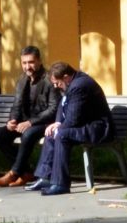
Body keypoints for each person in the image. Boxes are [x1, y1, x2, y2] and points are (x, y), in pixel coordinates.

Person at [30, 60, 109, 196]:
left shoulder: (80, 85)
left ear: (66, 77)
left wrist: (60, 126)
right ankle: (45, 177)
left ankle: (61, 184)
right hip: (84, 126)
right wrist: (57, 123)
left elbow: (74, 118)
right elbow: (63, 106)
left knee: (61, 135)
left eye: (57, 83)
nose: (55, 86)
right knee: (51, 133)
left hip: (97, 128)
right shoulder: (71, 84)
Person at [0, 46, 58, 187]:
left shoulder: (49, 80)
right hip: (25, 122)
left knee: (27, 134)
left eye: (31, 62)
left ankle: (14, 172)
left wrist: (30, 122)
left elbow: (53, 109)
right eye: (24, 63)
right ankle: (26, 172)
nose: (28, 66)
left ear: (39, 61)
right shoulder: (22, 80)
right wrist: (12, 120)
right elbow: (17, 104)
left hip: (46, 123)